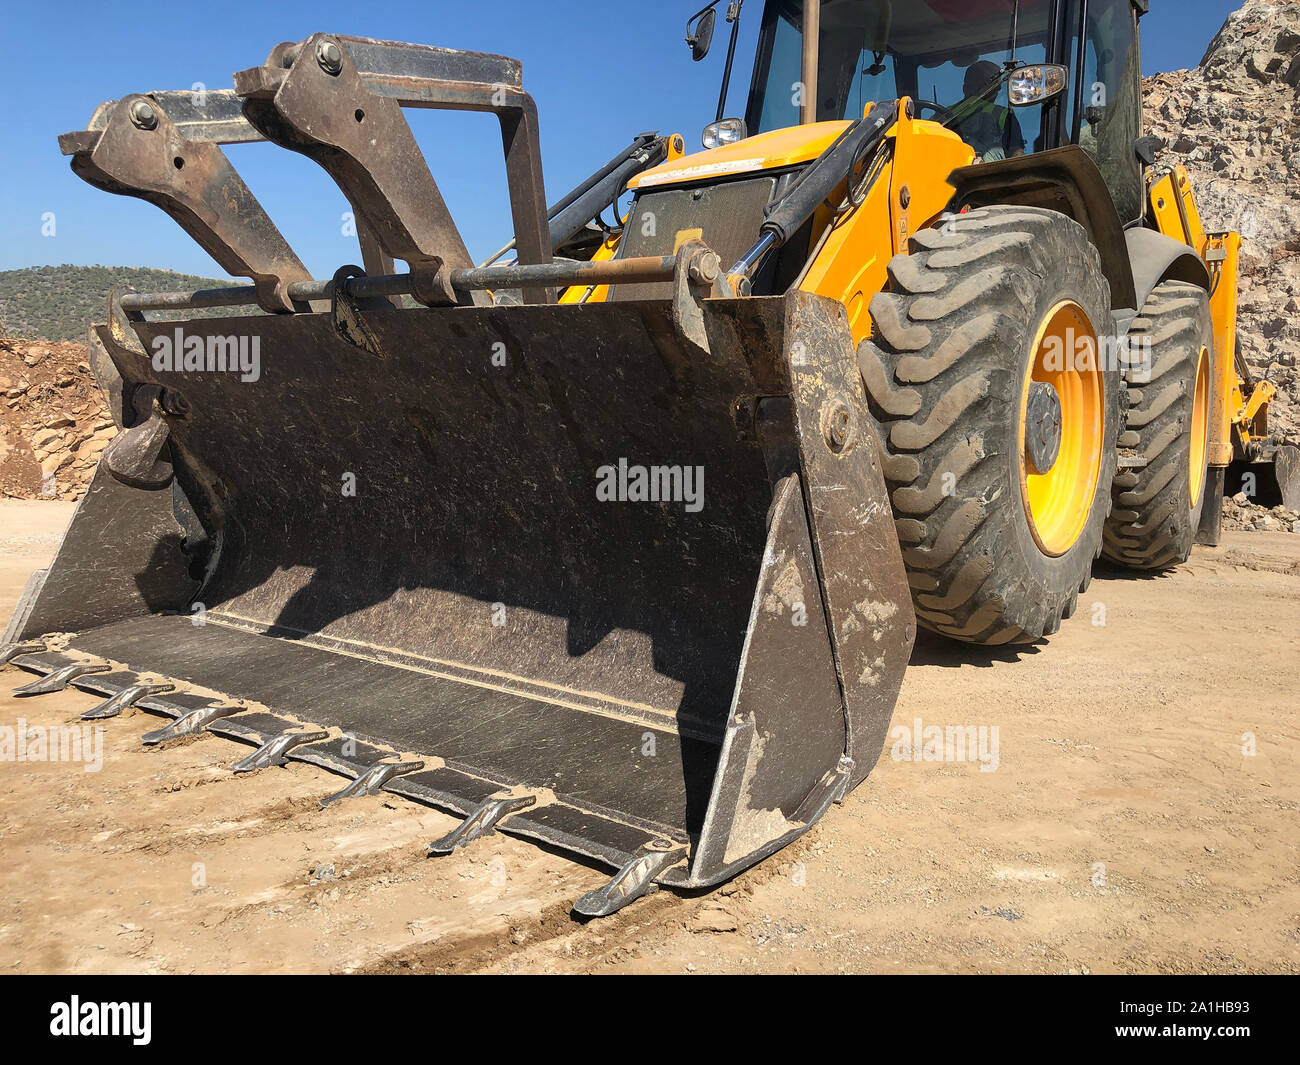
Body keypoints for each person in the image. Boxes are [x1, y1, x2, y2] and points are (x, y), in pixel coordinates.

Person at [951, 60, 1026, 162]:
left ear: (964, 88)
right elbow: (1017, 153)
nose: (998, 90)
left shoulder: (942, 115)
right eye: (995, 86)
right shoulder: (1002, 113)